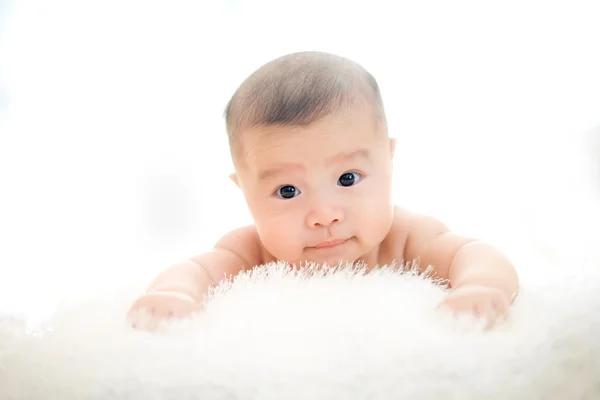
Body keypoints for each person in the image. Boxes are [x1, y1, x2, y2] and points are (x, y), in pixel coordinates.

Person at [128, 51, 519, 330]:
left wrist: (481, 285)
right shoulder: (251, 252)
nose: (324, 215)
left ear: (388, 160)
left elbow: (475, 253)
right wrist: (177, 295)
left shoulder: (406, 237)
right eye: (287, 191)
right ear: (243, 191)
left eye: (348, 179)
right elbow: (194, 270)